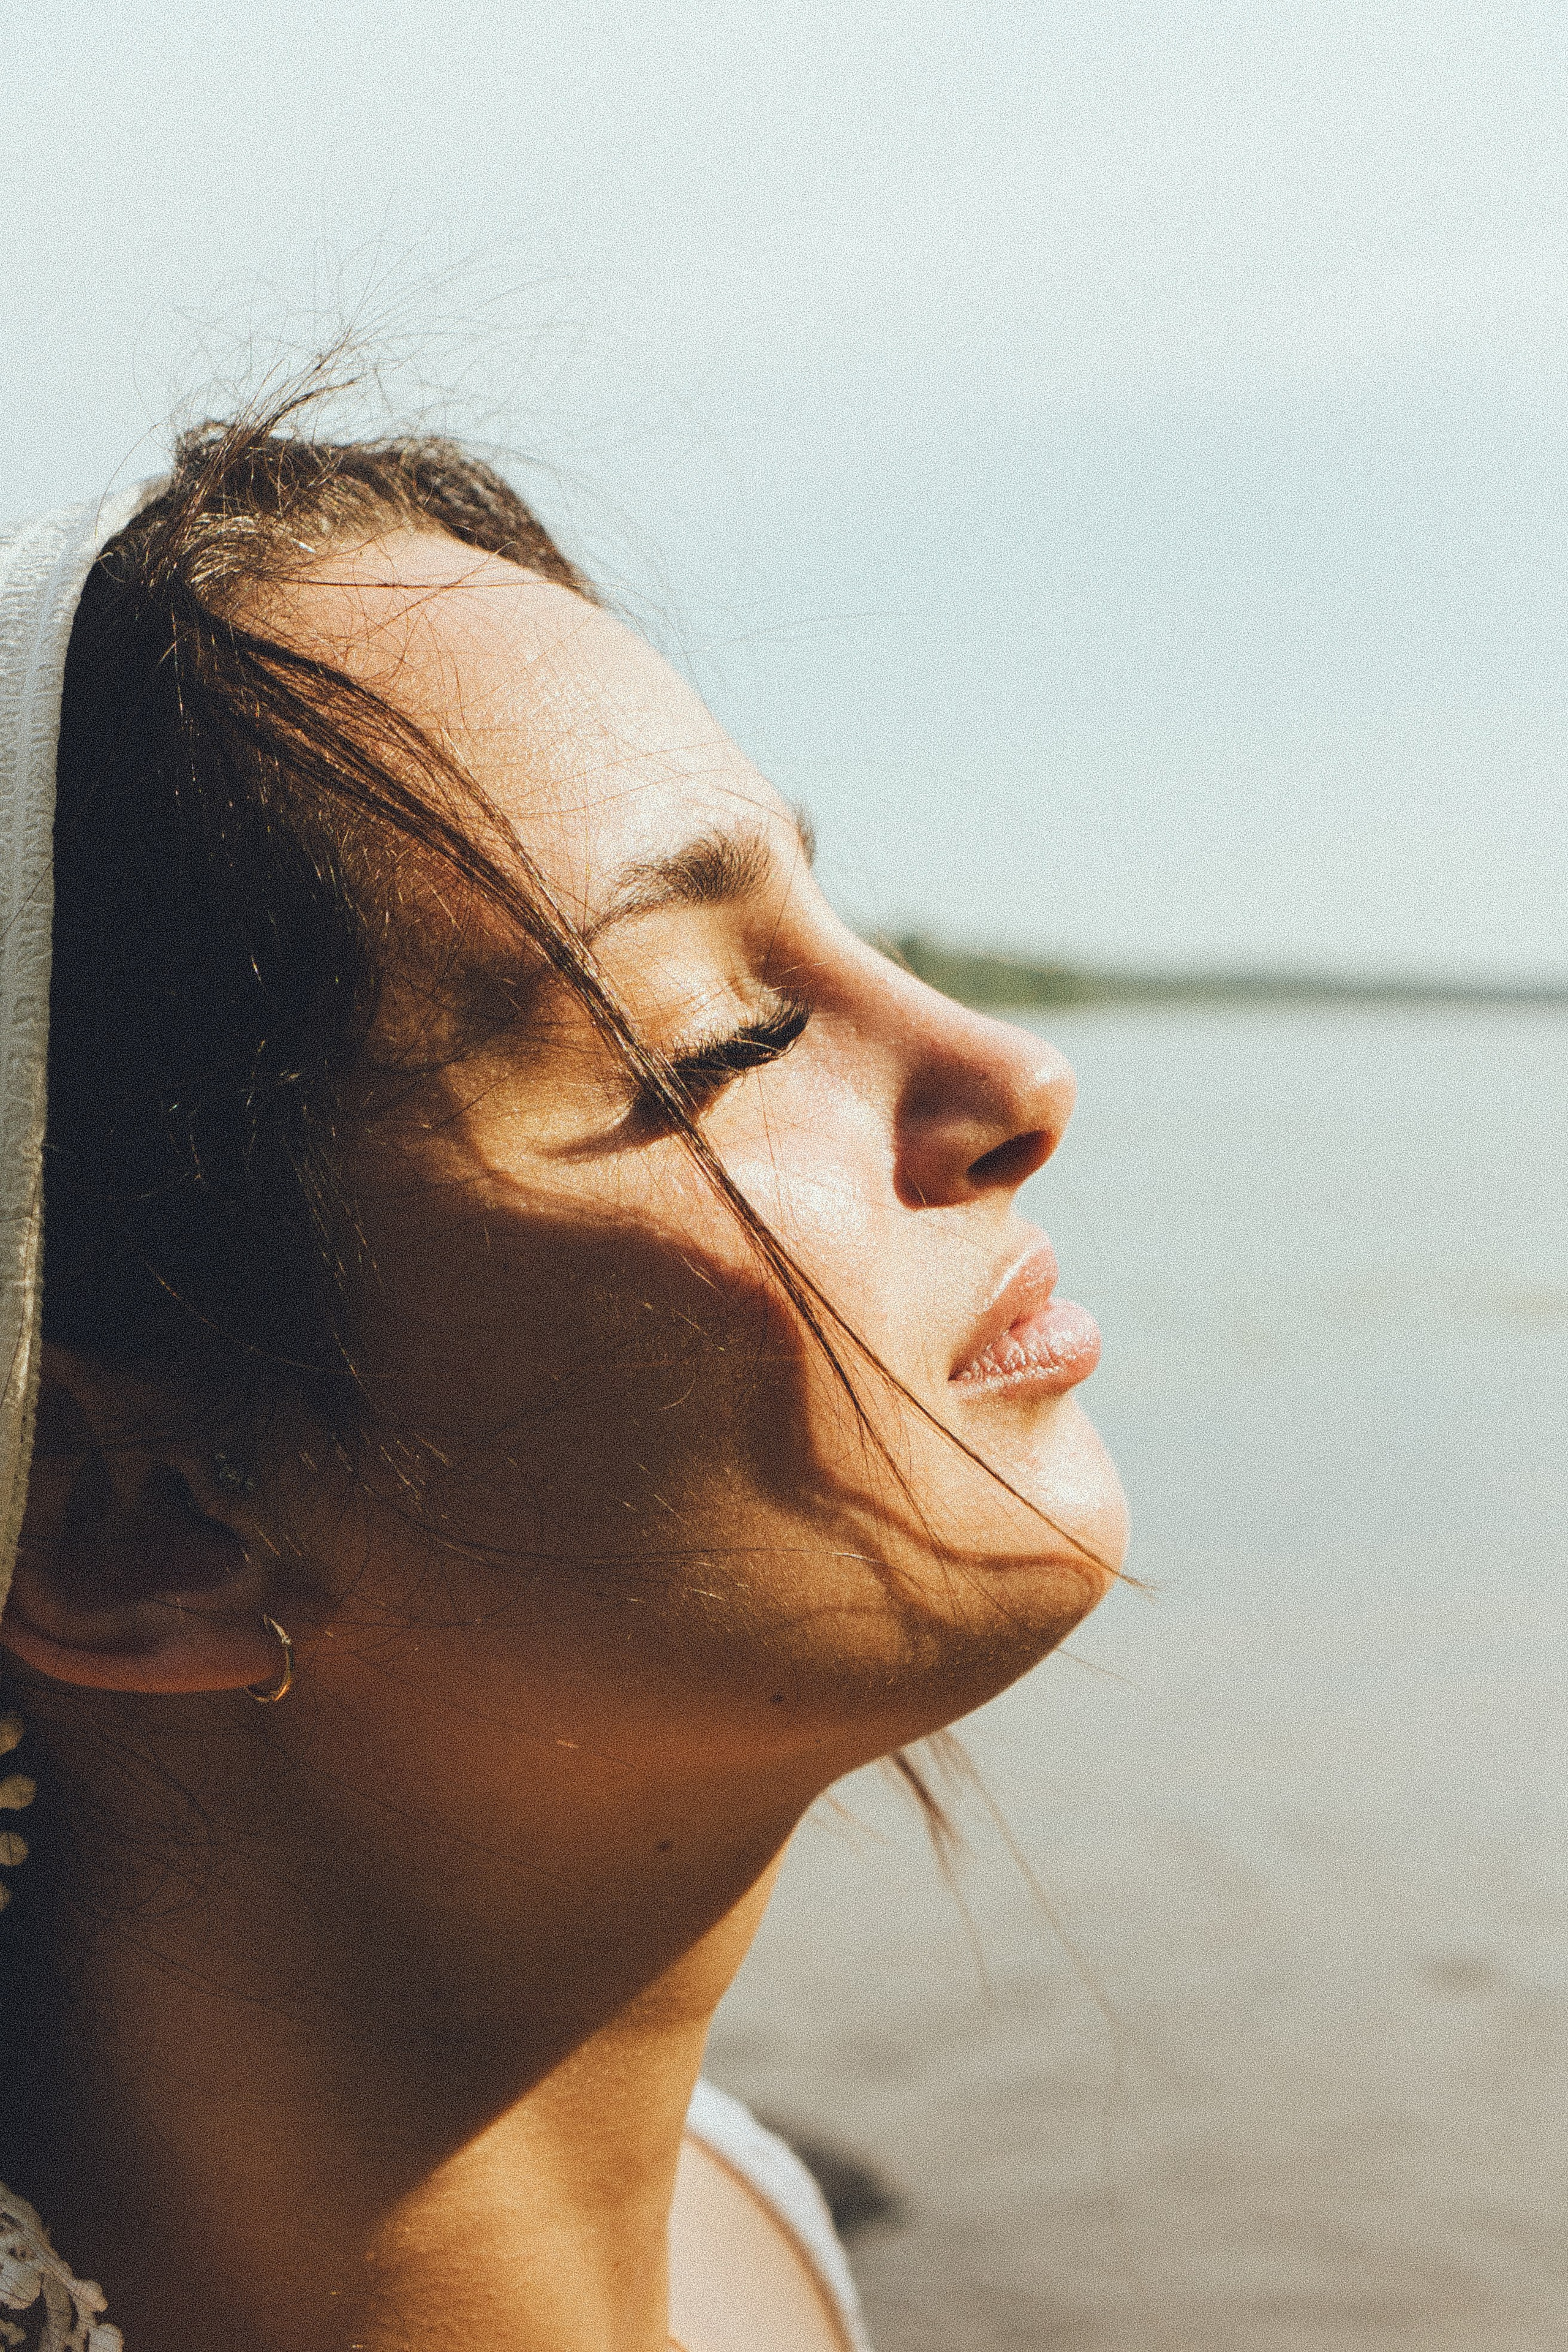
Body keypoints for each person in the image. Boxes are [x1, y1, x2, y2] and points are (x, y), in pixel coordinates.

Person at [0, 401, 1128, 2352]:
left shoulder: (756, 2235)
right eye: (723, 1040)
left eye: (834, 915)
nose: (1015, 1078)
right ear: (141, 1518)